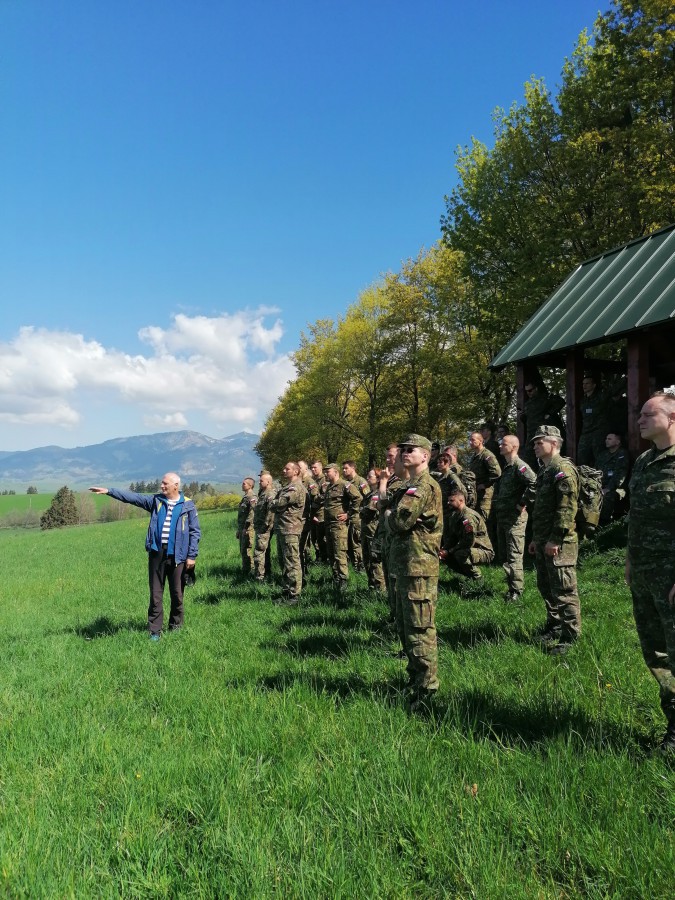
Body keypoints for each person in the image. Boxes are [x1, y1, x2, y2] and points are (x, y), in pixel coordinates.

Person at [89, 473, 200, 640]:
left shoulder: (188, 505)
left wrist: (191, 556)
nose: (162, 486)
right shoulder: (156, 501)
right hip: (157, 554)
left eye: (165, 483)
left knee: (177, 594)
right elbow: (134, 498)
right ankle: (154, 631)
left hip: (178, 557)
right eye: (162, 483)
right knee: (156, 595)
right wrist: (109, 491)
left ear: (176, 486)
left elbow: (195, 532)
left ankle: (175, 627)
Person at [625, 389, 675, 753]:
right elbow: (637, 516)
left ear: (671, 419)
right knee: (656, 653)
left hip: (671, 579)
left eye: (648, 414)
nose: (639, 419)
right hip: (644, 573)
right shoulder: (644, 461)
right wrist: (630, 559)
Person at [386, 434, 443, 710]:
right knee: (406, 628)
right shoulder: (409, 485)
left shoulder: (424, 485)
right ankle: (415, 680)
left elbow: (399, 520)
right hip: (407, 565)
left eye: (411, 449)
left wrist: (391, 516)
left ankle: (427, 690)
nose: (405, 453)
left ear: (425, 456)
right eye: (403, 449)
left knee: (420, 630)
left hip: (419, 567)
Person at [528, 426, 581, 655]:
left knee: (564, 590)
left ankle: (570, 637)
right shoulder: (545, 470)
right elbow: (541, 509)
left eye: (539, 442)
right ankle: (555, 626)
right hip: (543, 540)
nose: (535, 446)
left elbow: (566, 509)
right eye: (534, 443)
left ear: (555, 444)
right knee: (547, 587)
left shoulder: (562, 469)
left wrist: (555, 539)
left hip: (559, 542)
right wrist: (536, 539)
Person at [495, 435, 536, 601]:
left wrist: (522, 502)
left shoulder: (520, 466)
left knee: (514, 554)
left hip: (515, 519)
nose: (500, 446)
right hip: (503, 517)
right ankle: (511, 587)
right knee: (505, 555)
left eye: (503, 444)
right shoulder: (507, 466)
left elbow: (534, 483)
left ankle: (516, 592)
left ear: (513, 447)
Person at [376, 444, 407, 622]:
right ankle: (393, 614)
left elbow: (382, 502)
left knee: (395, 577)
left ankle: (398, 617)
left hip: (395, 534)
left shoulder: (399, 481)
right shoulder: (392, 478)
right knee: (388, 574)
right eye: (387, 456)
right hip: (385, 532)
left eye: (391, 456)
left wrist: (382, 483)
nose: (388, 460)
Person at [268, 462, 306, 605]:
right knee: (284, 562)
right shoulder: (287, 487)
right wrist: (275, 503)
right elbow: (277, 504)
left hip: (291, 529)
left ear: (296, 471)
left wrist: (273, 503)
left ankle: (294, 595)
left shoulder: (296, 487)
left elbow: (279, 503)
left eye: (287, 469)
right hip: (283, 528)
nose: (284, 470)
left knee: (292, 562)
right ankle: (286, 591)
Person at [440, 486, 494, 581]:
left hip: (483, 551)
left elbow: (469, 541)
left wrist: (450, 551)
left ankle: (477, 578)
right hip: (469, 548)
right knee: (446, 557)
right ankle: (470, 576)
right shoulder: (455, 515)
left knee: (460, 554)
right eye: (448, 500)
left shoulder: (468, 517)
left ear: (461, 501)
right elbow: (453, 537)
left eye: (451, 500)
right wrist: (444, 550)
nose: (448, 503)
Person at [323, 463, 361, 592]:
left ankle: (343, 580)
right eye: (325, 471)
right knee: (331, 553)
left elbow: (358, 498)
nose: (325, 474)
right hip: (329, 524)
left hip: (339, 525)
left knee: (339, 553)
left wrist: (349, 514)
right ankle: (336, 578)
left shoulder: (344, 485)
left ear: (336, 472)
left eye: (328, 471)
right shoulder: (329, 487)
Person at [520, 380, 565, 469]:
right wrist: (522, 416)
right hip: (531, 437)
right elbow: (526, 420)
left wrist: (549, 413)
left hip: (543, 436)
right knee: (527, 462)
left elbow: (561, 401)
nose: (528, 393)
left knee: (548, 461)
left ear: (536, 389)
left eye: (530, 390)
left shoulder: (545, 398)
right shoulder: (527, 404)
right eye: (526, 391)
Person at [360, 468, 385, 592]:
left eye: (370, 476)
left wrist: (361, 510)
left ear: (378, 478)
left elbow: (369, 511)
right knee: (366, 559)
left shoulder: (377, 494)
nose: (367, 478)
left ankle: (380, 588)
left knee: (375, 559)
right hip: (366, 530)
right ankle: (371, 586)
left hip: (373, 531)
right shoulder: (369, 494)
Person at [341, 460, 370, 572]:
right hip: (348, 517)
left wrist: (353, 513)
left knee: (356, 543)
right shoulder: (346, 482)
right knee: (349, 543)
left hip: (357, 517)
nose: (344, 470)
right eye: (343, 469)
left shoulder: (360, 481)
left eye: (346, 468)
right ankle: (352, 565)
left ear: (353, 468)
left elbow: (366, 497)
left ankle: (360, 566)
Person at [596, 432, 630, 525]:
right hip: (600, 485)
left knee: (608, 497)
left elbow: (619, 475)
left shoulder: (622, 454)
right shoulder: (603, 455)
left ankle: (604, 523)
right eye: (606, 438)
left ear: (618, 442)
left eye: (609, 439)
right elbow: (596, 471)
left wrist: (608, 488)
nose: (606, 441)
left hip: (617, 487)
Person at [468, 431, 501, 521]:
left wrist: (485, 484)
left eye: (473, 440)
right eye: (469, 440)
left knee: (484, 520)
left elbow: (497, 473)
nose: (470, 442)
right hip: (475, 494)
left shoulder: (487, 455)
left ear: (480, 441)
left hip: (485, 496)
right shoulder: (474, 456)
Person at [253, 471, 276, 583]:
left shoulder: (270, 494)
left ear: (268, 482)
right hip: (260, 526)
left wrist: (265, 525)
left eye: (261, 481)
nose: (259, 482)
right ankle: (267, 572)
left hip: (264, 528)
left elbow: (271, 512)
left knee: (259, 552)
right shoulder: (263, 493)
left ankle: (259, 576)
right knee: (265, 551)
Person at [236, 477, 256, 575]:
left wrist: (246, 527)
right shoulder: (245, 497)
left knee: (247, 550)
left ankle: (250, 571)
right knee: (243, 550)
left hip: (248, 529)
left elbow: (251, 514)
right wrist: (239, 529)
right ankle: (245, 570)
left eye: (244, 484)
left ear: (250, 485)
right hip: (242, 528)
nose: (242, 485)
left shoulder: (252, 497)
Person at [309, 460, 328, 562]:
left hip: (321, 512)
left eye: (315, 467)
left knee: (321, 537)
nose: (313, 469)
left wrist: (315, 501)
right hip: (312, 512)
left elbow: (325, 495)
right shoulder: (312, 480)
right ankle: (318, 557)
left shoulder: (324, 480)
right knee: (314, 537)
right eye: (311, 468)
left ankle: (324, 558)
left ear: (321, 467)